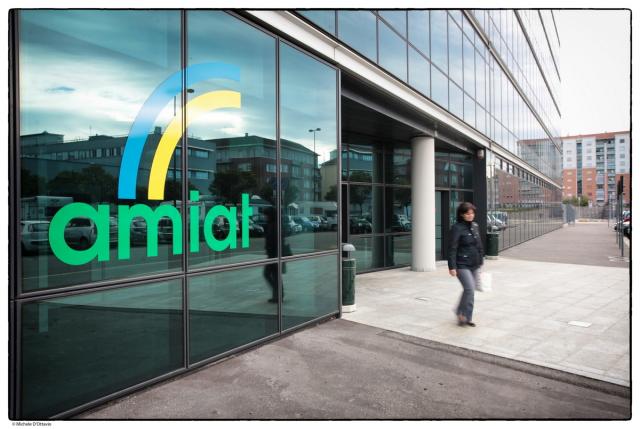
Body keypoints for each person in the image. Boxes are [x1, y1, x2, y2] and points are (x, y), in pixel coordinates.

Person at [448, 202, 484, 327]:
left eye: (472, 213)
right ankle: (460, 312)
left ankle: (467, 318)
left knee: (471, 291)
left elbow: (479, 245)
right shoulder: (457, 228)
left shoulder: (475, 226)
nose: (470, 215)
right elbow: (452, 248)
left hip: (474, 263)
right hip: (461, 264)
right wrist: (452, 267)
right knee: (469, 288)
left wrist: (481, 261)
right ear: (462, 214)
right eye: (467, 213)